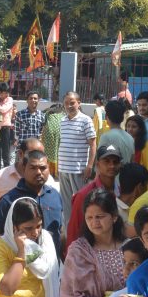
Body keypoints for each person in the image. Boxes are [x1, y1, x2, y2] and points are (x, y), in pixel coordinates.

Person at [0, 149, 64, 252]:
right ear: (24, 168)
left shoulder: (55, 195)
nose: (38, 172)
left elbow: (60, 230)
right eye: (33, 168)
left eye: (43, 168)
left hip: (53, 264)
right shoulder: (9, 200)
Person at [0, 138, 55, 218]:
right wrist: (4, 215)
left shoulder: (48, 180)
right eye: (32, 154)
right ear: (20, 154)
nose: (38, 158)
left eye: (41, 154)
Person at [66, 144, 122, 250]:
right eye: (107, 161)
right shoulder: (84, 195)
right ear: (97, 165)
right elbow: (74, 230)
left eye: (115, 162)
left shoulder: (121, 190)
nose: (112, 166)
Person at [58, 91, 97, 223]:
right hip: (63, 169)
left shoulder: (86, 120)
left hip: (79, 170)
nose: (69, 106)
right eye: (66, 103)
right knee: (67, 204)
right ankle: (70, 231)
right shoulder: (62, 121)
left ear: (79, 103)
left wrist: (90, 165)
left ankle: (83, 229)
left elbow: (93, 144)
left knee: (82, 203)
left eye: (72, 103)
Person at [97, 100, 134, 165]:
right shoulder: (130, 137)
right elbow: (132, 160)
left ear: (106, 117)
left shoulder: (105, 137)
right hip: (127, 174)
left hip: (111, 174)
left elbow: (100, 160)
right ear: (122, 118)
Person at [0, 83, 15, 167]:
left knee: (5, 149)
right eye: (4, 92)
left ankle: (6, 169)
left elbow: (4, 109)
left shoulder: (10, 99)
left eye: (7, 92)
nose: (6, 94)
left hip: (6, 127)